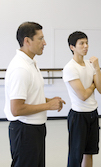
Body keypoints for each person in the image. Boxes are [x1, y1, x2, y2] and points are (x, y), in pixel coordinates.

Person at [4, 21, 66, 167]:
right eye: (40, 38)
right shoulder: (21, 68)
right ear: (27, 41)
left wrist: (48, 100)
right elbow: (17, 109)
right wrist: (47, 105)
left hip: (35, 128)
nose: (44, 43)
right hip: (25, 130)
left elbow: (29, 95)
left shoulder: (31, 63)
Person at [63, 31, 101, 167]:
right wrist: (93, 85)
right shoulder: (70, 68)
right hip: (79, 115)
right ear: (72, 47)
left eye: (86, 43)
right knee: (76, 155)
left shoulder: (90, 64)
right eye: (81, 43)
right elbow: (83, 95)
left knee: (89, 152)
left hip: (93, 113)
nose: (85, 46)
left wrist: (97, 68)